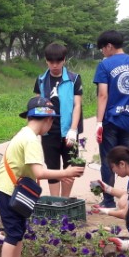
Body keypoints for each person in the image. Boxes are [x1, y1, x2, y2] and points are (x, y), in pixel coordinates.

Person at [0, 97, 85, 257]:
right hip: (6, 190)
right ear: (48, 120)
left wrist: (61, 175)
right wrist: (65, 172)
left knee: (19, 230)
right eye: (52, 122)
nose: (51, 127)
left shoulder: (25, 134)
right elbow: (39, 172)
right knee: (13, 232)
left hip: (10, 189)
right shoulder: (31, 140)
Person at [94, 30, 129, 209]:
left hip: (110, 120)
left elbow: (102, 95)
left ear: (109, 46)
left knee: (109, 159)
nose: (103, 52)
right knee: (128, 159)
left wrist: (98, 123)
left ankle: (108, 200)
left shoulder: (105, 65)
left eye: (103, 48)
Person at [33, 42, 83, 197]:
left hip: (68, 130)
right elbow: (38, 105)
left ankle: (65, 200)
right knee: (52, 167)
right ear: (46, 61)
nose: (54, 65)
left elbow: (77, 105)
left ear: (64, 60)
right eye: (51, 61)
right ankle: (56, 202)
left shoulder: (74, 79)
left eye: (58, 61)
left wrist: (73, 130)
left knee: (70, 166)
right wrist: (37, 130)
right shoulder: (41, 80)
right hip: (49, 132)